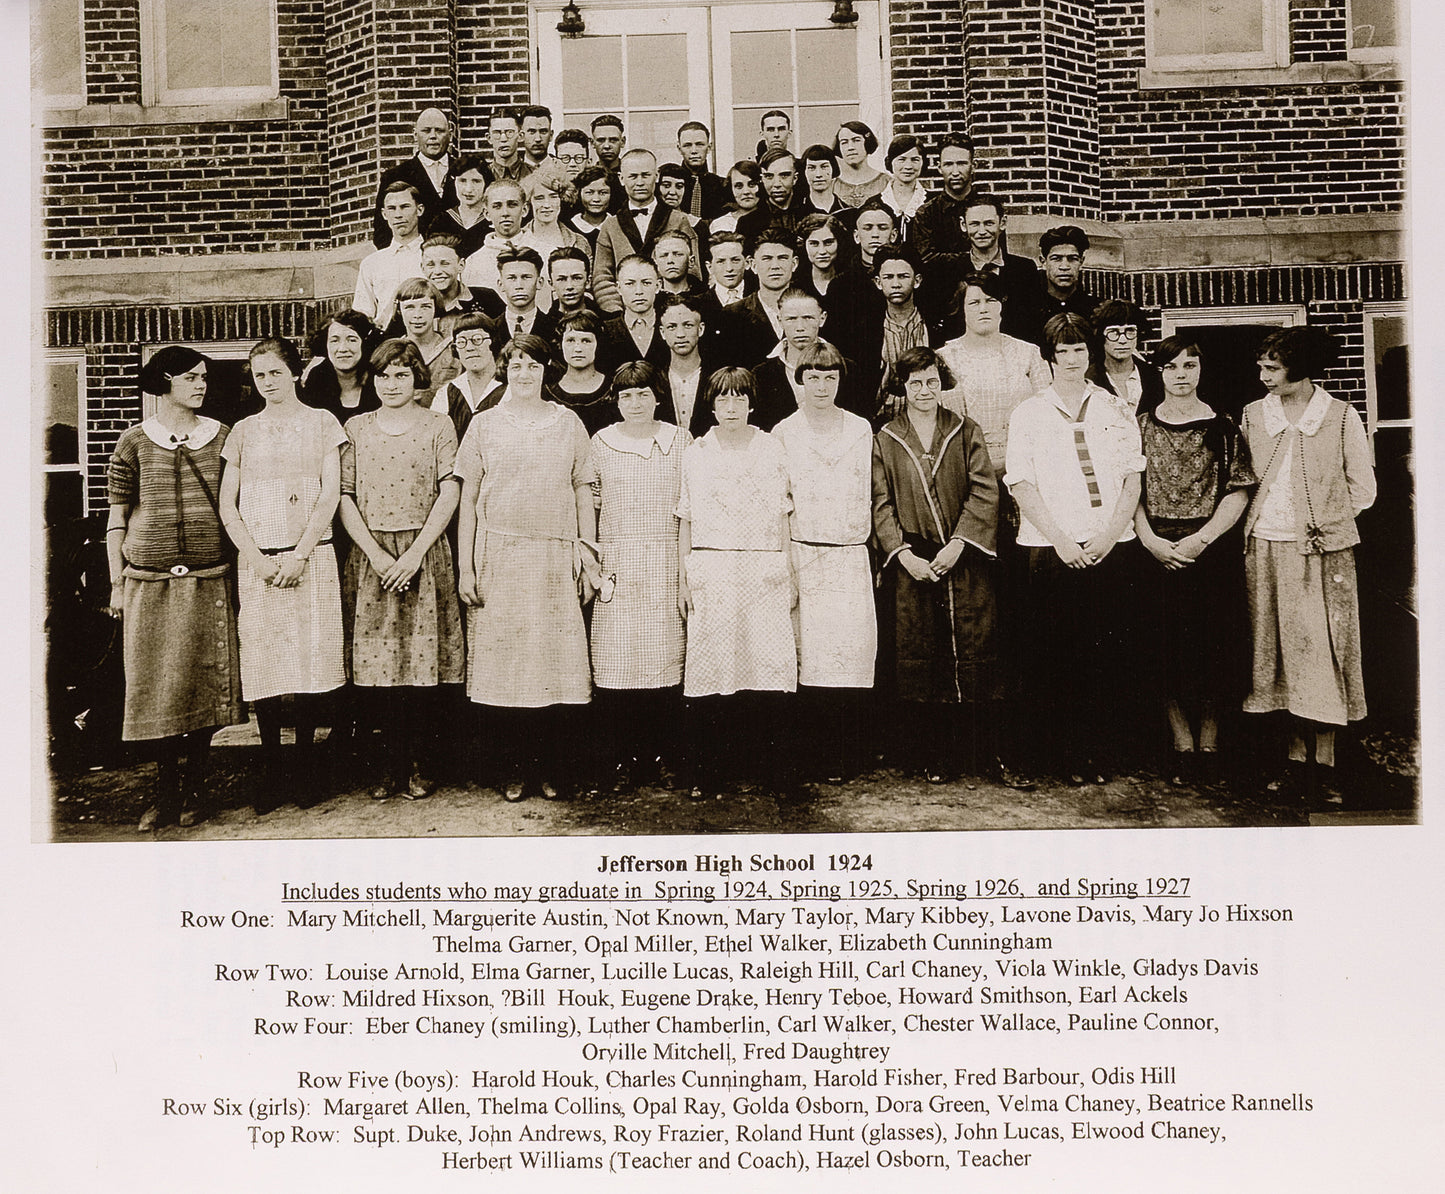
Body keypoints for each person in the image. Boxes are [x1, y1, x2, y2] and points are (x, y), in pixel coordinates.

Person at [105, 346, 244, 830]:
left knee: (203, 683)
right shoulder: (133, 442)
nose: (202, 385)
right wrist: (116, 584)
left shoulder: (221, 438)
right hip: (149, 583)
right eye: (191, 377)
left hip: (208, 580)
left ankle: (197, 788)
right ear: (164, 383)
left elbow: (236, 506)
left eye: (203, 377)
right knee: (159, 689)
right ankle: (163, 790)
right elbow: (116, 519)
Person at [455, 335, 597, 802]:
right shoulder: (484, 425)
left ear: (544, 371)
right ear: (504, 370)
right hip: (502, 556)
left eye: (531, 365)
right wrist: (467, 568)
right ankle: (513, 768)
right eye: (514, 365)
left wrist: (588, 556)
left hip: (555, 558)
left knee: (553, 667)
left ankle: (552, 768)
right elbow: (469, 500)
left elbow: (582, 491)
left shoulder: (567, 423)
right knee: (509, 667)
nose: (523, 373)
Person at [1005, 313, 1144, 783]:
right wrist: (1062, 541)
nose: (1072, 359)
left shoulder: (1115, 408)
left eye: (1080, 350)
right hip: (1050, 548)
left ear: (1091, 353)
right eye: (1062, 351)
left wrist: (1106, 537)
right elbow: (1020, 482)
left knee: (1101, 657)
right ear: (1049, 357)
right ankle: (1051, 756)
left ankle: (1095, 755)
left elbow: (1131, 479)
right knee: (1050, 657)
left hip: (1108, 546)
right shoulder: (1029, 412)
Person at [1239, 327, 1375, 800]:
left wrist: (1324, 522)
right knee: (1276, 652)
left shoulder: (1339, 417)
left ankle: (1329, 765)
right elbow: (1243, 481)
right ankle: (1294, 762)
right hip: (1263, 549)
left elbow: (1363, 487)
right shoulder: (1254, 415)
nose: (1263, 376)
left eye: (1272, 368)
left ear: (1299, 368)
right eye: (1262, 366)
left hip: (1321, 554)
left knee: (1322, 651)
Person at [219, 338, 348, 806]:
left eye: (275, 373)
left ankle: (306, 769)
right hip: (260, 565)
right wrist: (256, 559)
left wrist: (300, 554)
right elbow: (227, 506)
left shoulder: (322, 423)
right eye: (259, 376)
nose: (268, 383)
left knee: (311, 664)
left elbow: (330, 494)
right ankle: (272, 769)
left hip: (311, 560)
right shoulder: (243, 432)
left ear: (294, 373)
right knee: (267, 662)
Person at [338, 339, 464, 800]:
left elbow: (449, 489)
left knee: (423, 667)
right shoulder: (355, 427)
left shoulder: (438, 425)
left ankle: (421, 764)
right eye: (384, 376)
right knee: (382, 669)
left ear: (417, 380)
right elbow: (344, 495)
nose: (392, 384)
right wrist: (376, 554)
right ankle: (388, 765)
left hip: (424, 553)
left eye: (402, 375)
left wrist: (414, 554)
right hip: (373, 557)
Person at [872, 346, 1001, 782]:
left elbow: (985, 491)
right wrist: (903, 554)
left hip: (962, 558)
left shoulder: (965, 430)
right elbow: (880, 503)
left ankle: (978, 751)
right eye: (915, 384)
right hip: (915, 562)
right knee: (920, 653)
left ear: (941, 382)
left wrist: (960, 543)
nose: (924, 391)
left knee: (973, 646)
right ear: (902, 389)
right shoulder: (887, 438)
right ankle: (932, 753)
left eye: (931, 381)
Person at [1133, 336, 1256, 784]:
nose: (1181, 375)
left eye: (1189, 366)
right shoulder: (1141, 425)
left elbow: (1239, 489)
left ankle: (1210, 743)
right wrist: (1149, 540)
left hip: (1208, 551)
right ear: (1159, 373)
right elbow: (1129, 490)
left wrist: (1202, 540)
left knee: (1213, 651)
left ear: (1200, 370)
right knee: (1164, 651)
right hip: (1156, 552)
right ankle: (1180, 744)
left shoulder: (1223, 426)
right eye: (1171, 367)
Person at [676, 368, 797, 800]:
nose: (731, 407)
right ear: (711, 406)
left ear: (751, 403)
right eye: (722, 400)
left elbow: (783, 513)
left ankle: (775, 772)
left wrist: (787, 570)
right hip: (712, 569)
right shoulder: (698, 451)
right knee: (713, 669)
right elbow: (686, 517)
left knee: (769, 666)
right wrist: (684, 580)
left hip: (763, 569)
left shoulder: (771, 447)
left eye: (739, 399)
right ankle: (707, 773)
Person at [773, 343, 877, 781]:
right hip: (803, 550)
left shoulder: (860, 429)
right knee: (807, 655)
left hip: (849, 553)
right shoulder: (782, 432)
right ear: (799, 381)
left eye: (829, 377)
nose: (821, 385)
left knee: (850, 653)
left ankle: (845, 753)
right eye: (812, 377)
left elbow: (869, 493)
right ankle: (807, 755)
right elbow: (779, 502)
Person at [589, 361, 690, 788]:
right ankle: (621, 760)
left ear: (658, 397)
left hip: (666, 560)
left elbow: (689, 507)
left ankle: (664, 756)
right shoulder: (600, 443)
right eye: (626, 395)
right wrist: (591, 562)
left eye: (643, 394)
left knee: (665, 660)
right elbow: (589, 507)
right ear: (617, 400)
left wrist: (687, 572)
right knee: (618, 660)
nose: (635, 403)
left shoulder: (680, 441)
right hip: (617, 562)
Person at [937, 272, 1050, 471]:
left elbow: (1047, 413)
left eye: (990, 300)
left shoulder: (1028, 353)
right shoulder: (945, 358)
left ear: (1001, 305)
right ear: (962, 308)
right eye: (974, 303)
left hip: (1026, 461)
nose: (983, 309)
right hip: (965, 466)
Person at [591, 149, 701, 314]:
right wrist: (616, 309)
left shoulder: (678, 220)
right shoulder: (610, 226)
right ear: (622, 179)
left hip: (672, 311)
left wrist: (676, 305)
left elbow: (692, 271)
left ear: (656, 176)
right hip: (625, 313)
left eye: (645, 175)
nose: (640, 182)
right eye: (633, 176)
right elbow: (602, 277)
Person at [752, 288, 861, 430]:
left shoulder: (848, 369)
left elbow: (858, 423)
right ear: (779, 320)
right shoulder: (761, 375)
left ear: (822, 318)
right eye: (791, 319)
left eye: (808, 318)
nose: (800, 327)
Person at [372, 108, 461, 248]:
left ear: (450, 134)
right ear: (415, 135)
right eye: (426, 131)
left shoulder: (465, 171)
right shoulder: (395, 176)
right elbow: (382, 232)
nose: (433, 136)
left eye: (439, 131)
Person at [957, 193, 1039, 340]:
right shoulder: (951, 270)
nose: (982, 231)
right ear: (964, 225)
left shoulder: (1024, 269)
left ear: (1002, 222)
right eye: (975, 224)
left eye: (989, 223)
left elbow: (1031, 323)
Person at [715, 226, 798, 368]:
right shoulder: (732, 314)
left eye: (782, 258)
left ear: (794, 263)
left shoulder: (811, 308)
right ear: (753, 265)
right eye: (767, 259)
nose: (775, 266)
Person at [518, 161, 592, 311]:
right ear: (529, 202)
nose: (547, 204)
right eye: (539, 198)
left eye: (553, 197)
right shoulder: (519, 241)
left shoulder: (578, 241)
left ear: (561, 200)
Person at [909, 133, 979, 288]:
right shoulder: (926, 213)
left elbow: (997, 256)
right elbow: (926, 261)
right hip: (940, 295)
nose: (955, 172)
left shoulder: (988, 209)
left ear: (973, 165)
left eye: (961, 163)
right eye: (948, 164)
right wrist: (973, 258)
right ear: (939, 167)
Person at [1015, 225, 1101, 350]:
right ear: (1043, 262)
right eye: (1056, 259)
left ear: (1081, 262)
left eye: (1072, 259)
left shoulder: (1095, 311)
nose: (1064, 266)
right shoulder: (1026, 311)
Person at [354, 182, 425, 331]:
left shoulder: (433, 257)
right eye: (392, 209)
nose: (398, 214)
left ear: (419, 210)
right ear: (384, 214)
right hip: (385, 341)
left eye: (405, 207)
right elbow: (363, 312)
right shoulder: (372, 263)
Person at [873, 245, 932, 423]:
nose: (896, 284)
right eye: (888, 277)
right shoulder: (867, 331)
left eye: (903, 276)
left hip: (929, 418)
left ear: (917, 280)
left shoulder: (935, 327)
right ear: (878, 282)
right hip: (880, 422)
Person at [430, 314, 506, 444]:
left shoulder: (511, 388)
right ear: (456, 350)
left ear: (493, 342)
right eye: (461, 342)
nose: (470, 348)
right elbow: (435, 439)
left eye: (477, 339)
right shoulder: (447, 393)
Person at [656, 291, 721, 437]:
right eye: (672, 327)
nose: (680, 334)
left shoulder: (717, 377)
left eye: (688, 325)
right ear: (662, 332)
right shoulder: (655, 379)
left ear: (701, 329)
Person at [300, 310, 381, 424]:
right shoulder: (315, 383)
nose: (342, 348)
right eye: (334, 341)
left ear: (365, 344)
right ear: (325, 345)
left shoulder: (380, 381)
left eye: (351, 340)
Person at [393, 278, 460, 407]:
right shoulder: (393, 352)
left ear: (436, 308)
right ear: (399, 311)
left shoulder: (453, 349)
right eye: (409, 307)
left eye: (425, 307)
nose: (417, 315)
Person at [549, 310, 617, 434]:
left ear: (598, 344)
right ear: (560, 344)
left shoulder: (614, 389)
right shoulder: (548, 393)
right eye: (570, 341)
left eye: (586, 341)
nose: (578, 348)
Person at [598, 255, 667, 375]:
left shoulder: (671, 326)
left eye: (646, 283)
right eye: (630, 284)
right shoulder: (605, 331)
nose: (639, 291)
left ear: (658, 286)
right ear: (618, 288)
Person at [1093, 297, 1163, 415]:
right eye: (1113, 332)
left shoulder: (1154, 377)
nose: (1122, 340)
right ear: (1101, 336)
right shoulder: (1089, 379)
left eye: (1130, 331)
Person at [460, 179, 529, 295]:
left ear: (525, 210)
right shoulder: (473, 263)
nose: (505, 212)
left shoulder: (547, 252)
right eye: (497, 206)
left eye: (512, 205)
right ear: (487, 214)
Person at [425, 153, 492, 259]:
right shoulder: (441, 221)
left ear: (486, 184)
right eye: (462, 181)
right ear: (454, 183)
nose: (469, 189)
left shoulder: (492, 221)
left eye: (476, 181)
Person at [736, 149, 810, 243]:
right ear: (762, 179)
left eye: (784, 176)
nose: (776, 184)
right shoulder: (748, 223)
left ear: (795, 178)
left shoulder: (810, 215)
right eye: (769, 176)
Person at [493, 246, 558, 345]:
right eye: (511, 278)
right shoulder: (489, 329)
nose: (519, 286)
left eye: (526, 277)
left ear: (539, 282)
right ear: (501, 284)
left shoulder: (555, 327)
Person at [676, 121, 729, 221]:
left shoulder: (723, 186)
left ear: (709, 148)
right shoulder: (670, 185)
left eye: (700, 144)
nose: (694, 150)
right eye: (687, 145)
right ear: (679, 149)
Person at [879, 134, 927, 239]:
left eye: (915, 160)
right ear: (890, 162)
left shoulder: (932, 203)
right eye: (901, 159)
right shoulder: (876, 203)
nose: (908, 166)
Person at [834, 121, 889, 207]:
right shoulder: (832, 185)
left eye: (856, 140)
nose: (850, 147)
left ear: (867, 143)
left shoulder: (887, 182)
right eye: (844, 142)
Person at [710, 160, 763, 236]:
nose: (746, 191)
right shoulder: (721, 224)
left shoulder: (774, 220)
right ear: (731, 189)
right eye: (738, 186)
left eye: (752, 184)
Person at [569, 164, 616, 250]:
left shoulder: (617, 225)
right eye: (589, 192)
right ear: (579, 193)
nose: (596, 199)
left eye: (603, 193)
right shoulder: (568, 227)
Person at [547, 246, 598, 319]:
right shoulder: (542, 327)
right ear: (551, 284)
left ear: (588, 282)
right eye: (561, 279)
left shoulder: (608, 323)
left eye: (577, 278)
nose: (569, 286)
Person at [485, 108, 532, 182]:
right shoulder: (481, 176)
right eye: (497, 133)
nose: (503, 139)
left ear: (520, 136)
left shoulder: (534, 175)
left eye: (510, 132)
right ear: (489, 138)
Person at [800, 144, 848, 216]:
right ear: (804, 172)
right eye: (811, 168)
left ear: (833, 169)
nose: (818, 174)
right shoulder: (797, 212)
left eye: (824, 167)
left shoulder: (847, 211)